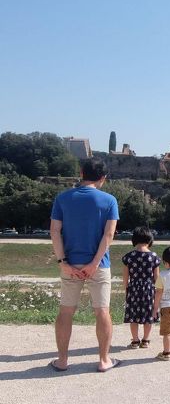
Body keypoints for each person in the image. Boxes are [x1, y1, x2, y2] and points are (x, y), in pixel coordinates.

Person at [50, 159, 120, 373]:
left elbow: (54, 231)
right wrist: (94, 263)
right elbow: (108, 236)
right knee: (102, 312)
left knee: (65, 312)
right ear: (103, 178)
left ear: (81, 173)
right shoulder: (109, 200)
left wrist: (63, 262)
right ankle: (103, 360)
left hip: (70, 264)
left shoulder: (62, 198)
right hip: (99, 265)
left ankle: (62, 361)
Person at [122, 226, 161, 349]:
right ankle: (145, 340)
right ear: (150, 239)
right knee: (148, 315)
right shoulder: (154, 257)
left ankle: (135, 340)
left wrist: (127, 289)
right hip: (149, 289)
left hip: (133, 288)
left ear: (134, 239)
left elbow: (125, 278)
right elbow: (157, 278)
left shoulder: (129, 257)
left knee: (133, 316)